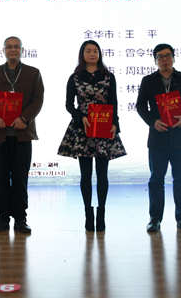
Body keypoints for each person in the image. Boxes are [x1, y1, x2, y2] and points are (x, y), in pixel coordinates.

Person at [57, 40, 126, 232]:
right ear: (82, 54)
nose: (92, 54)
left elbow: (113, 102)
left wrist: (115, 124)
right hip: (84, 128)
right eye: (88, 51)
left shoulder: (109, 77)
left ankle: (101, 213)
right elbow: (69, 105)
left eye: (95, 51)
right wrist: (81, 116)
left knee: (102, 173)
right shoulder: (75, 77)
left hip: (104, 126)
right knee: (85, 174)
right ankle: (88, 213)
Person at [0, 36, 44, 234]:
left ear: (22, 50)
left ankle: (20, 218)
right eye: (9, 47)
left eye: (17, 47)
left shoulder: (33, 73)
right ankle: (2, 218)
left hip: (22, 135)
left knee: (19, 178)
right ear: (4, 50)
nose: (13, 50)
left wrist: (24, 118)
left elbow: (38, 99)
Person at [136, 44, 181, 232]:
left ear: (173, 58)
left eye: (168, 56)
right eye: (160, 56)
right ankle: (155, 218)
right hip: (158, 137)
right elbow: (141, 106)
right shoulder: (148, 81)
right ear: (155, 60)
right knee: (156, 179)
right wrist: (152, 121)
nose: (165, 59)